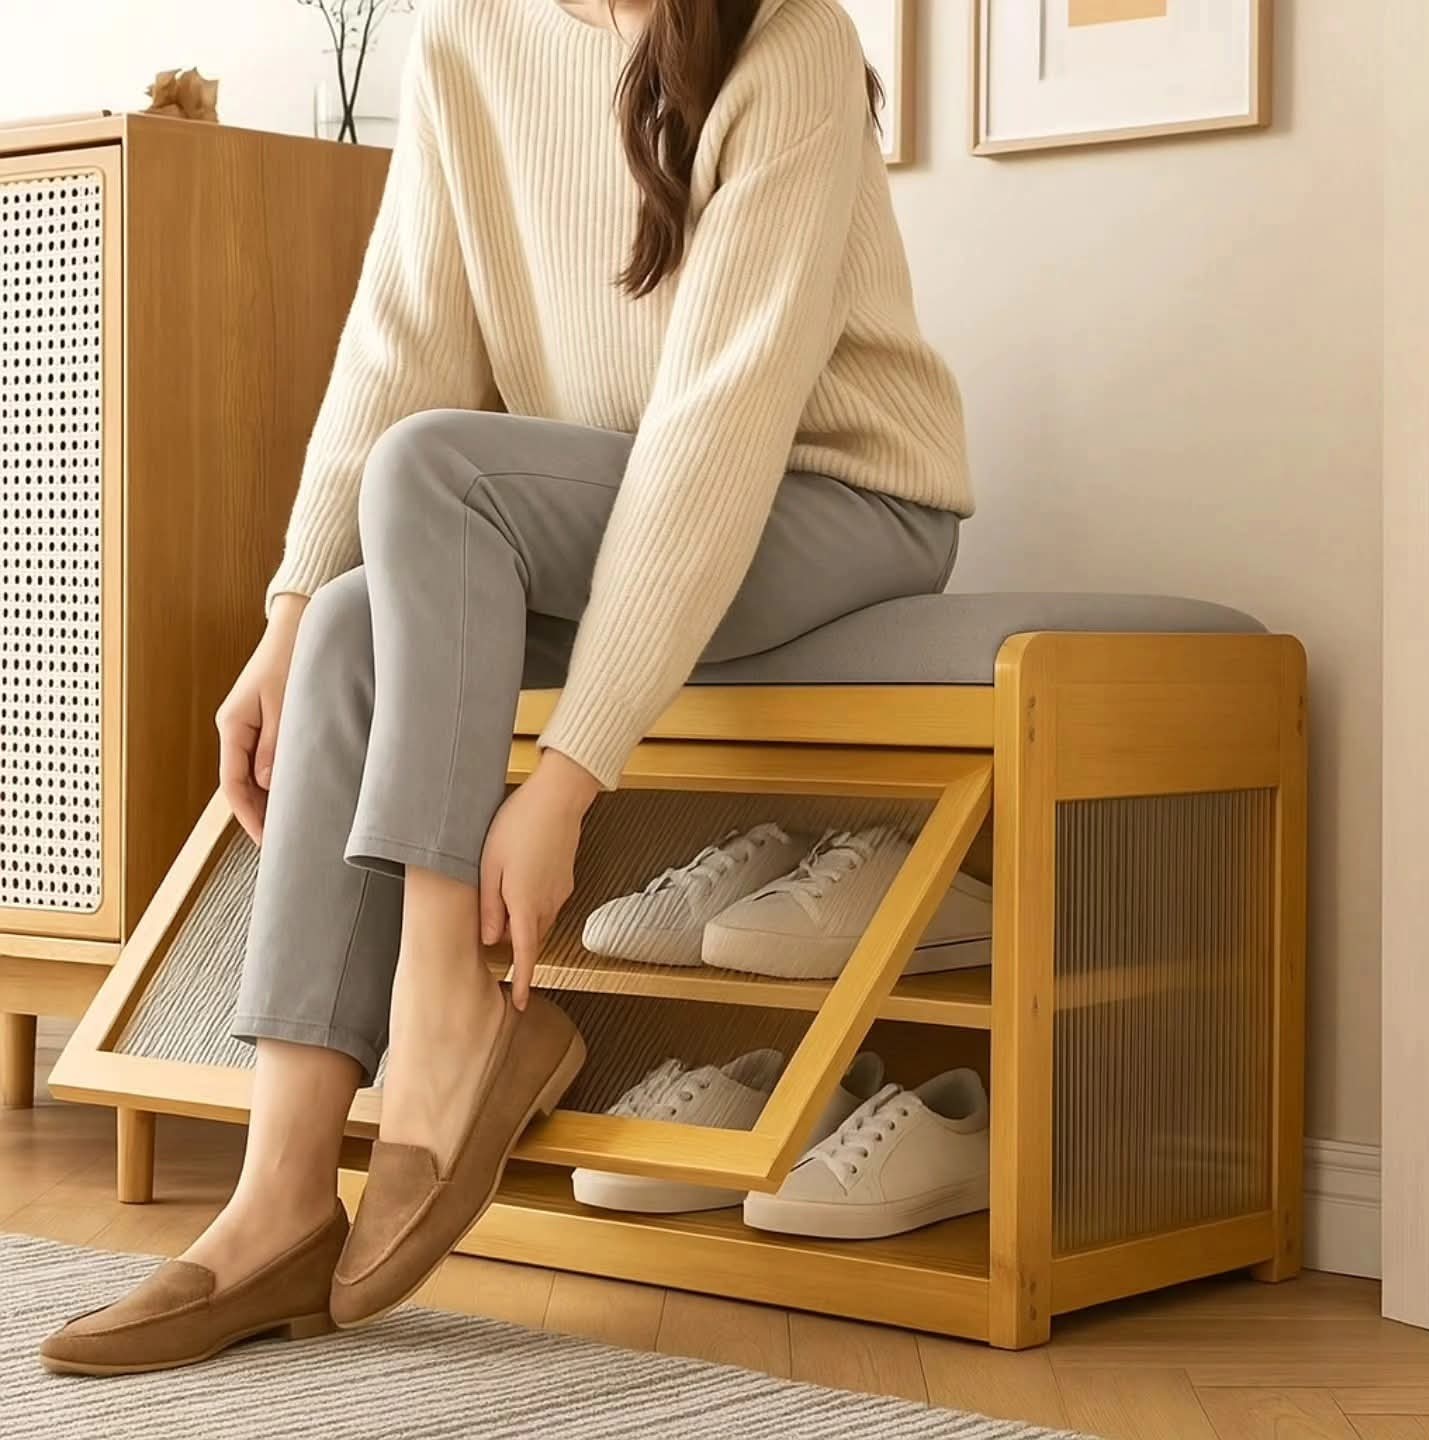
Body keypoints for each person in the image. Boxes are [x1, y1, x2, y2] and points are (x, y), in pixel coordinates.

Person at [40, 0, 970, 1374]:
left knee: (438, 468)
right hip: (586, 503)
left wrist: (569, 777)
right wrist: (286, 619)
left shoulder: (795, 46)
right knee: (358, 622)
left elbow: (718, 425)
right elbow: (398, 338)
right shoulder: (470, 33)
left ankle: (450, 1012)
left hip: (834, 497)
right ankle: (279, 1199)